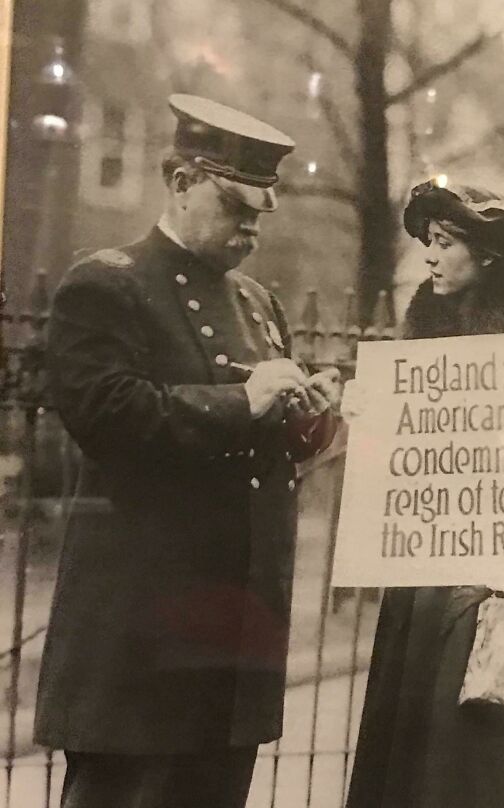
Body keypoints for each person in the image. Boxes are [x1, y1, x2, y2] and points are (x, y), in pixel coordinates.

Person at [33, 94, 339, 808]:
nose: (251, 230)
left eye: (261, 214)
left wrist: (312, 422)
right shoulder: (106, 285)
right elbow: (107, 414)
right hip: (144, 636)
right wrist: (245, 400)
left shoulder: (259, 304)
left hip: (232, 638)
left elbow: (265, 453)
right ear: (179, 183)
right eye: (236, 208)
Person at [345, 179, 504, 808]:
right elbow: (399, 454)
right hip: (421, 570)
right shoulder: (423, 327)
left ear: (489, 253)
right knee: (408, 736)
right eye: (427, 242)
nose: (430, 256)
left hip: (498, 576)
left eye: (445, 242)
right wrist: (368, 414)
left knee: (471, 751)